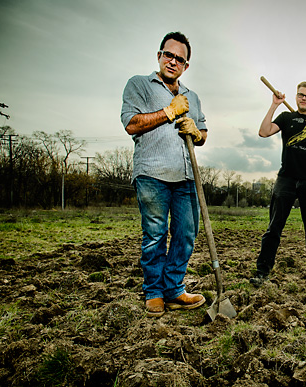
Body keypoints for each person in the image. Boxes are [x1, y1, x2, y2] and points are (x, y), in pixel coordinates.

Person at [121, 32, 207, 317]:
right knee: (155, 235)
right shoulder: (139, 85)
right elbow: (132, 124)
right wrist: (169, 111)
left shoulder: (191, 96)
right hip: (152, 173)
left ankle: (174, 290)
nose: (173, 61)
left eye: (179, 59)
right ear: (159, 55)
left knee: (186, 234)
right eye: (168, 55)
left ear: (186, 66)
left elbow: (203, 134)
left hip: (186, 175)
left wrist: (196, 131)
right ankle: (154, 292)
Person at [250, 81, 306, 286]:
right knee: (273, 229)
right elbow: (263, 131)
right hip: (286, 180)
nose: (303, 98)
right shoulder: (287, 117)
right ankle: (262, 273)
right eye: (300, 95)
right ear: (296, 97)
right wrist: (274, 105)